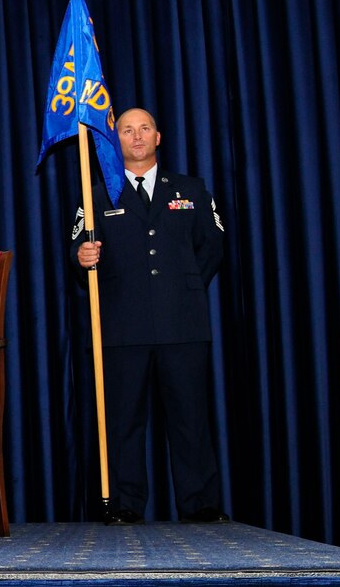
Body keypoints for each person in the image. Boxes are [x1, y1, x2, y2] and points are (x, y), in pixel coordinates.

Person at [71, 107, 228, 524]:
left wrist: (182, 287)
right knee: (123, 422)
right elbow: (77, 253)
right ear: (115, 140)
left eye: (144, 129)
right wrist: (82, 257)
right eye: (127, 130)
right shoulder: (96, 193)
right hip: (121, 325)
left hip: (182, 323)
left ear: (158, 137)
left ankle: (200, 503)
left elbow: (212, 247)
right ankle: (124, 503)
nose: (136, 136)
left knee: (191, 420)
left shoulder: (191, 189)